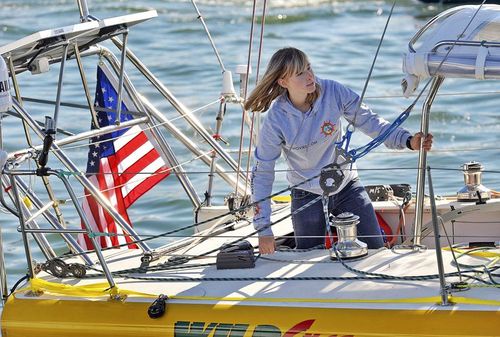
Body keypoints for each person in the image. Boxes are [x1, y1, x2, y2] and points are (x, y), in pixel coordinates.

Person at [244, 47, 433, 254]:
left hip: (347, 185)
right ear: (283, 82)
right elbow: (262, 172)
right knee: (308, 257)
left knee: (375, 250)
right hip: (305, 194)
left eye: (309, 68)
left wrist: (407, 141)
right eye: (300, 73)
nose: (310, 76)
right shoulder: (276, 119)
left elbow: (371, 122)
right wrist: (264, 230)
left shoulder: (333, 92)